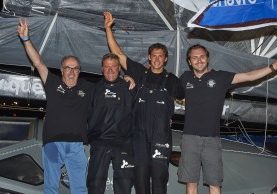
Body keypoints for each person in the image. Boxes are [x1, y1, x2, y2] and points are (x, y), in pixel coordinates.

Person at [177, 44, 277, 194]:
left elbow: (249, 76)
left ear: (208, 58)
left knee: (214, 183)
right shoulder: (184, 78)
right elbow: (167, 89)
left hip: (212, 139)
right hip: (189, 138)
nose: (199, 60)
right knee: (191, 183)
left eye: (202, 56)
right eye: (194, 57)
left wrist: (273, 67)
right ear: (190, 61)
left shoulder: (220, 77)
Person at [104, 11, 183, 194]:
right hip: (138, 135)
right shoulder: (139, 73)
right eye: (153, 55)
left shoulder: (173, 80)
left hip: (161, 137)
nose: (156, 59)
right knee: (140, 180)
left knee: (159, 180)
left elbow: (190, 101)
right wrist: (108, 29)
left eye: (160, 56)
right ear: (149, 57)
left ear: (166, 59)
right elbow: (117, 53)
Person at [18, 18, 92, 194]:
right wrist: (26, 39)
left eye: (75, 68)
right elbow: (38, 63)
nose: (71, 71)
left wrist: (128, 77)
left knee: (80, 188)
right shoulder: (52, 82)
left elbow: (110, 83)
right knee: (51, 187)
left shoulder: (87, 87)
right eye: (68, 68)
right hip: (53, 143)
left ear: (79, 71)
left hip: (76, 146)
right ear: (62, 70)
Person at [87, 53, 135, 194]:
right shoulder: (93, 90)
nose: (110, 70)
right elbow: (81, 111)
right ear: (102, 69)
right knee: (95, 186)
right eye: (107, 67)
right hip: (100, 143)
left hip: (124, 144)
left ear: (119, 68)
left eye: (113, 66)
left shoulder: (130, 87)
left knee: (124, 187)